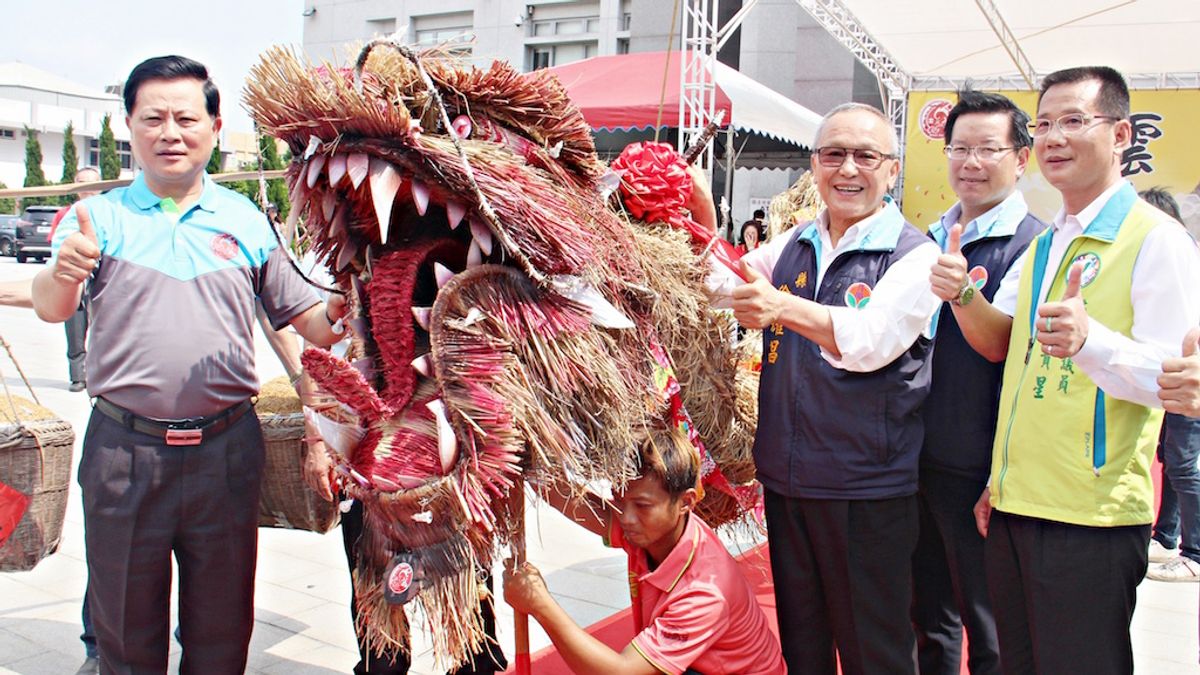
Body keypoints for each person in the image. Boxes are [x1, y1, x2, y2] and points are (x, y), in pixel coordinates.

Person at [31, 55, 348, 674]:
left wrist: (347, 307)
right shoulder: (98, 217)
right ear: (130, 126)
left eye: (185, 117)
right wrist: (61, 273)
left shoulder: (246, 221)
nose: (169, 132)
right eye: (153, 118)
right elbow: (50, 306)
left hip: (225, 451)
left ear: (214, 126)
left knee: (221, 631)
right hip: (124, 450)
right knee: (125, 631)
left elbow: (306, 319)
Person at [946, 66, 1200, 673]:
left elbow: (1175, 381)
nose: (1055, 138)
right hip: (1016, 506)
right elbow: (1003, 345)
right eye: (1045, 124)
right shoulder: (1045, 245)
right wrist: (960, 293)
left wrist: (1092, 342)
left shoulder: (1155, 240)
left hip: (1091, 516)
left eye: (1074, 121)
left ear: (1121, 135)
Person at [729, 102, 941, 674]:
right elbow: (728, 280)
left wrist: (781, 305)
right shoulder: (798, 241)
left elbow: (869, 341)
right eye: (833, 155)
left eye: (865, 156)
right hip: (789, 479)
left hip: (864, 489)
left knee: (874, 647)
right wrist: (693, 223)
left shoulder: (915, 256)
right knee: (805, 641)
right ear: (815, 166)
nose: (848, 169)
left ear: (892, 171)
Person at [917, 89, 1045, 675]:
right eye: (959, 148)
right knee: (928, 616)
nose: (970, 162)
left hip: (980, 466)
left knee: (989, 623)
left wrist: (963, 290)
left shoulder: (1035, 245)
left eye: (988, 149)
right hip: (914, 457)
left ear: (1021, 158)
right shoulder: (926, 234)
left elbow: (999, 343)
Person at [502, 425, 785, 675]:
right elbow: (582, 506)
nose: (626, 517)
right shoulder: (658, 530)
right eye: (620, 501)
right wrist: (531, 464)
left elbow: (620, 673)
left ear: (686, 502)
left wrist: (540, 604)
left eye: (642, 506)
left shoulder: (705, 593)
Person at [1133, 188, 1200, 581]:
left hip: (1185, 380)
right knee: (1172, 459)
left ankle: (1194, 551)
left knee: (1184, 465)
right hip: (1167, 379)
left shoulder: (1179, 259)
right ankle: (1168, 535)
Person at [47, 166, 102, 393]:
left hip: (102, 278)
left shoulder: (110, 211)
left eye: (93, 185)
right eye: (83, 185)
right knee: (76, 330)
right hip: (75, 279)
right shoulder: (66, 214)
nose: (88, 191)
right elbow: (56, 248)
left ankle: (100, 374)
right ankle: (78, 376)